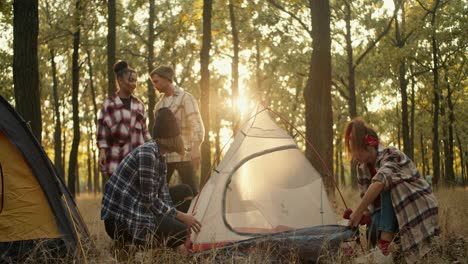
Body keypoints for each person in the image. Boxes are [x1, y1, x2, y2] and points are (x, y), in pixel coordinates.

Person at [101, 108, 201, 255]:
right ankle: (128, 244)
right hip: (120, 221)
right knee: (181, 231)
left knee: (185, 190)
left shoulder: (160, 156)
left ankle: (173, 240)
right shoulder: (147, 154)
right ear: (171, 137)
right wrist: (182, 218)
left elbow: (164, 195)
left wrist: (178, 218)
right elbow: (150, 201)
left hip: (137, 206)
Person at [344, 118, 439, 264]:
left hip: (415, 206)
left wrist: (358, 211)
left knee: (387, 184)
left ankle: (384, 246)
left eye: (355, 150)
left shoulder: (391, 154)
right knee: (374, 226)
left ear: (369, 146)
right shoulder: (361, 167)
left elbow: (381, 181)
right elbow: (369, 202)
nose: (354, 155)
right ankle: (383, 248)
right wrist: (363, 215)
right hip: (390, 211)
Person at [150, 65, 204, 195]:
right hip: (164, 157)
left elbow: (196, 123)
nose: (155, 85)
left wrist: (196, 148)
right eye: (153, 83)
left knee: (191, 190)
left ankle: (195, 215)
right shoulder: (158, 106)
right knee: (159, 191)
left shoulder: (185, 98)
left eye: (156, 81)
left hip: (184, 154)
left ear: (167, 78)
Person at [97, 60, 151, 180]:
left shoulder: (139, 105)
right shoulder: (109, 104)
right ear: (120, 80)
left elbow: (145, 132)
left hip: (137, 163)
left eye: (135, 81)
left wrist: (153, 148)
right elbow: (102, 131)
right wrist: (102, 152)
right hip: (116, 162)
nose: (134, 84)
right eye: (130, 80)